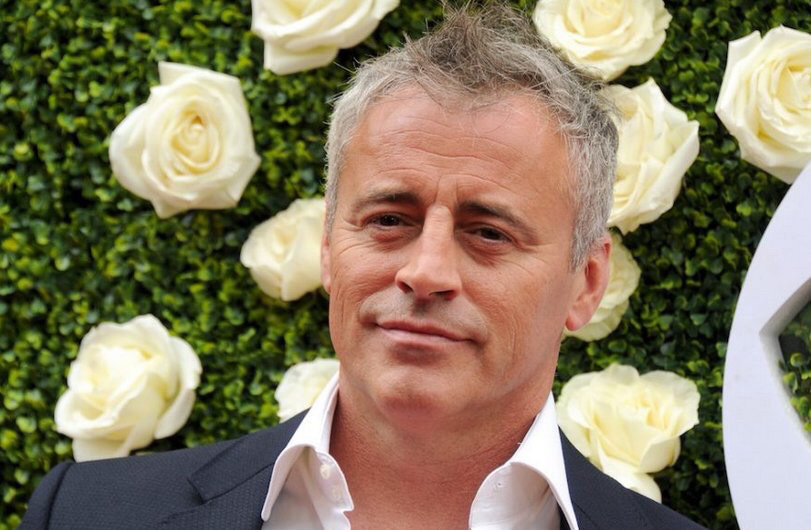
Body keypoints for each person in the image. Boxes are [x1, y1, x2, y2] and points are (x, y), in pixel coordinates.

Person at [22, 4, 705, 529]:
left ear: (586, 284)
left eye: (488, 233)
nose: (426, 272)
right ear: (327, 246)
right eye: (388, 220)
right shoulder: (88, 515)